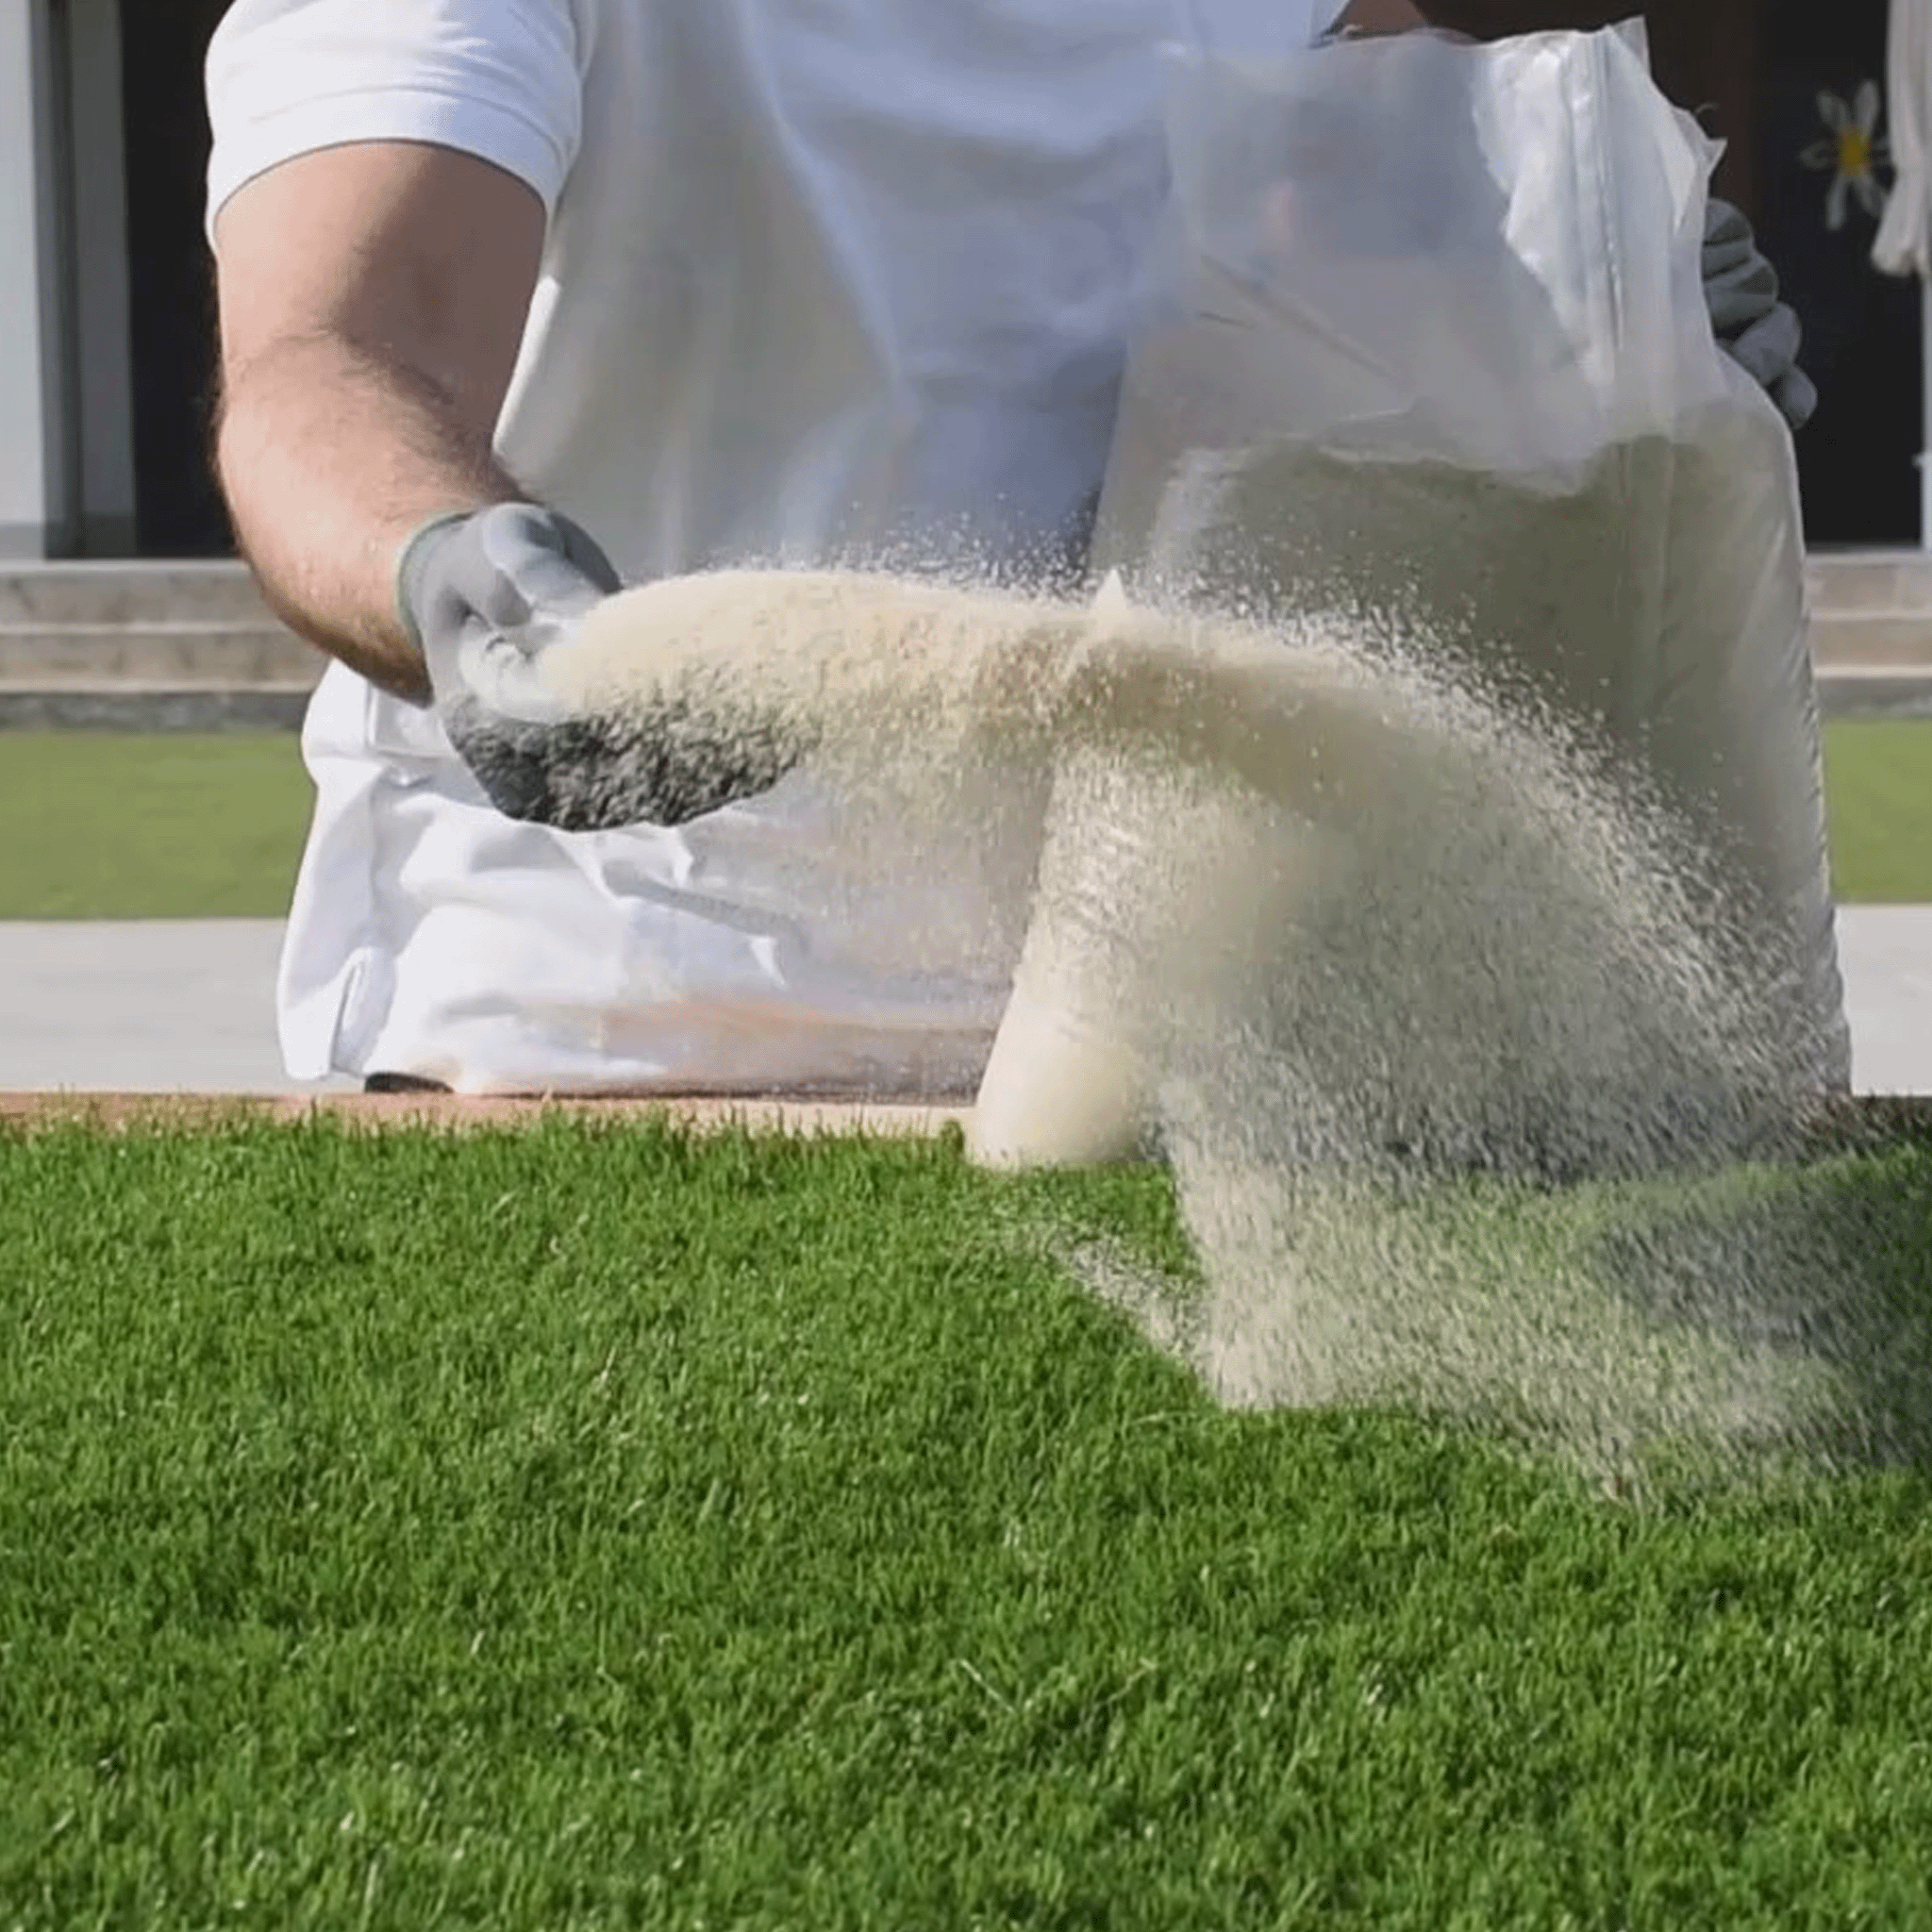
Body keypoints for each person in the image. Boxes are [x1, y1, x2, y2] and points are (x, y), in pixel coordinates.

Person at [204, 0, 1813, 1098]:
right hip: (591, 1035)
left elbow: (1381, 201)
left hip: (1144, 1058)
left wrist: (1589, 269)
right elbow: (340, 354)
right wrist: (450, 571)